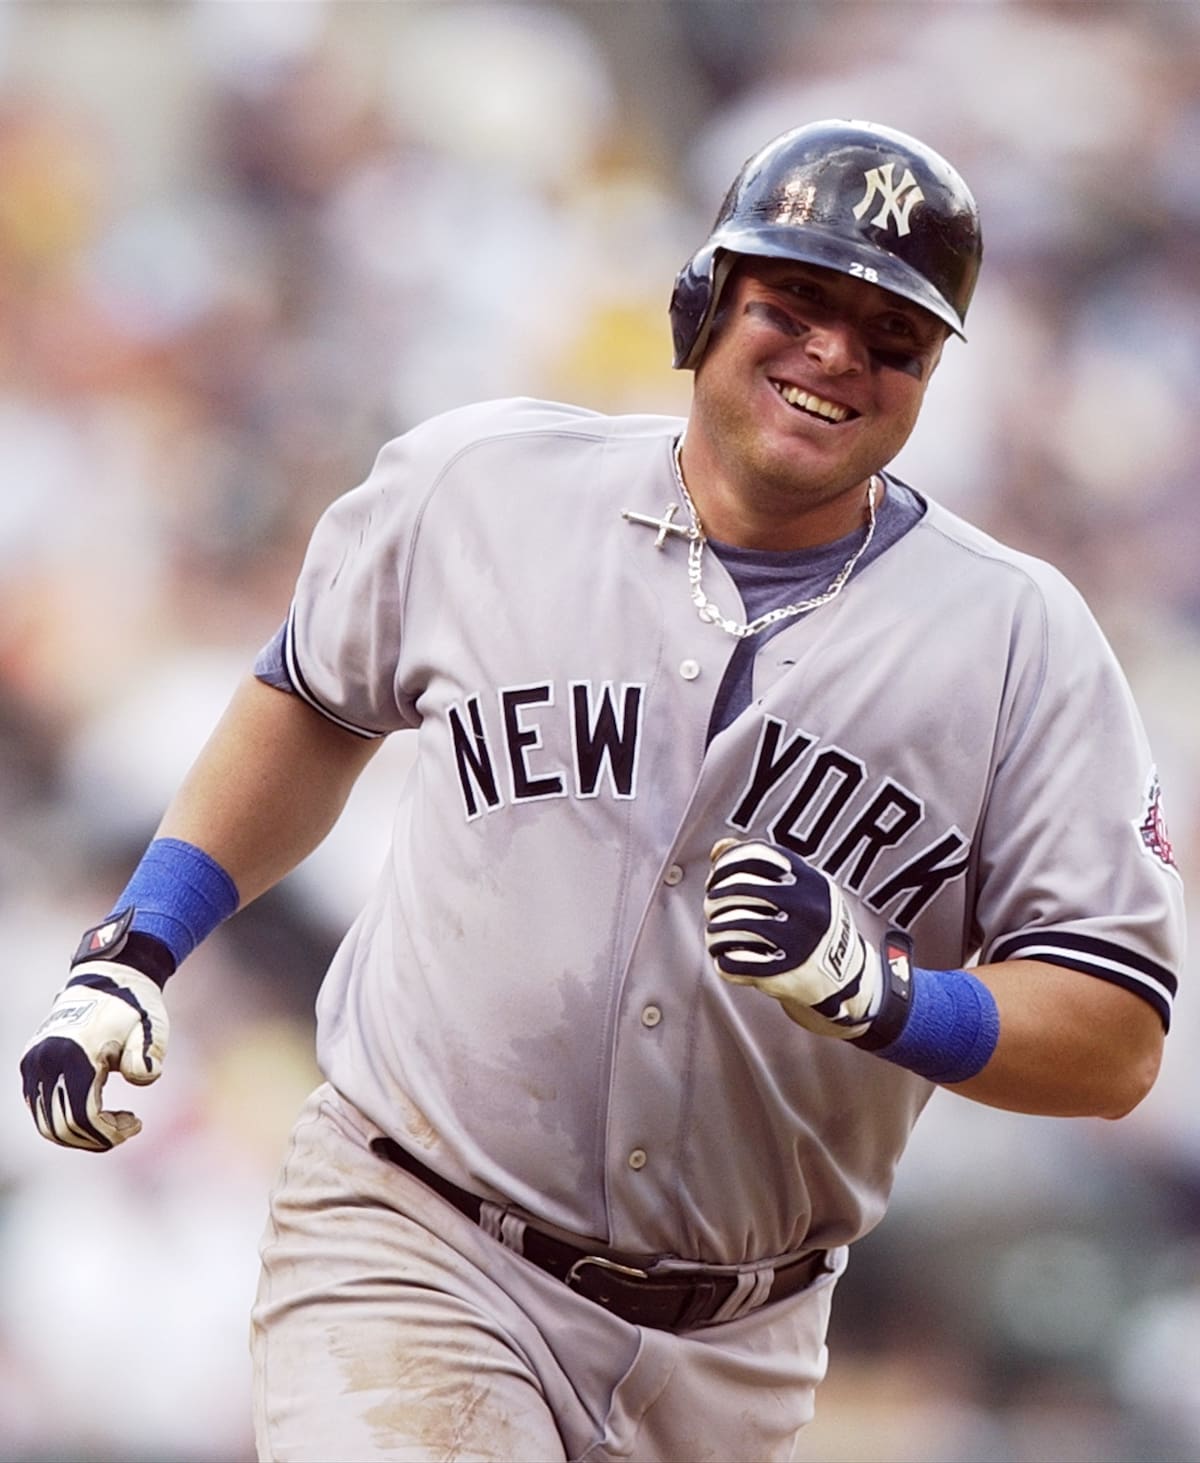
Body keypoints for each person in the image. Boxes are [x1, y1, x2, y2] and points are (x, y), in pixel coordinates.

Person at [20, 119, 1184, 1463]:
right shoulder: (486, 488)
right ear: (704, 305)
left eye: (891, 337)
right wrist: (138, 944)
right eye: (796, 305)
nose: (834, 358)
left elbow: (1116, 1040)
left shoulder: (1022, 643)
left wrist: (892, 1000)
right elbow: (310, 700)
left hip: (736, 1345)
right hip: (417, 1237)